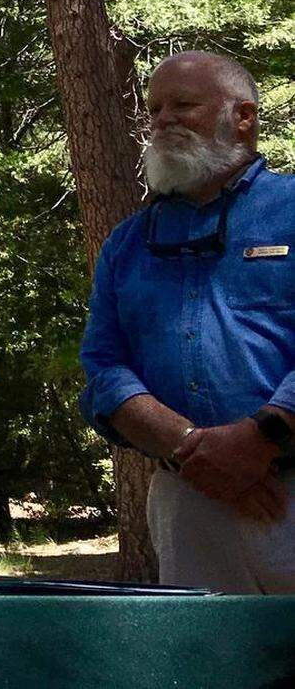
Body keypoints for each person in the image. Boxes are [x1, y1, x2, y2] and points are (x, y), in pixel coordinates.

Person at [80, 51, 295, 593]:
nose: (162, 121)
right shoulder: (127, 243)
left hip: (289, 484)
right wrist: (194, 450)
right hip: (187, 501)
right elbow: (104, 368)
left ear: (242, 117)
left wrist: (260, 439)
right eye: (154, 109)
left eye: (183, 105)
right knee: (208, 667)